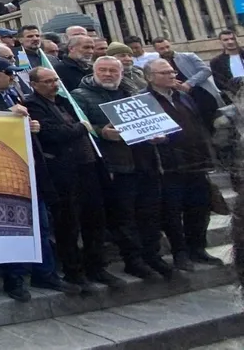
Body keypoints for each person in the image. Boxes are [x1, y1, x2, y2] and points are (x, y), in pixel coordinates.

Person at [0, 58, 77, 298]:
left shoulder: (12, 94)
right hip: (1, 171)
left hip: (30, 166)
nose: (13, 77)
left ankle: (45, 273)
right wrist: (7, 115)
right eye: (8, 73)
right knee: (12, 227)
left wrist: (31, 125)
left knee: (41, 223)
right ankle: (14, 279)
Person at [72, 58, 173, 280]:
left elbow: (153, 122)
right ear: (94, 71)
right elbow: (83, 128)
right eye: (103, 70)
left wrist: (160, 135)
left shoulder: (133, 93)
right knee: (125, 217)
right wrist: (102, 132)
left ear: (120, 72)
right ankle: (133, 260)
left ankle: (152, 255)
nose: (108, 74)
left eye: (112, 70)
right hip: (117, 166)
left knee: (150, 213)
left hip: (145, 162)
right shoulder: (80, 96)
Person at [24, 67, 122, 292]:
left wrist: (82, 127)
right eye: (47, 81)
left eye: (55, 80)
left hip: (88, 166)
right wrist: (80, 127)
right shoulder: (33, 104)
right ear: (34, 84)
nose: (54, 84)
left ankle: (96, 266)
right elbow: (52, 134)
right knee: (69, 223)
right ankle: (74, 271)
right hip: (63, 171)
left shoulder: (65, 101)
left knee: (95, 219)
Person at [144, 58, 223, 268]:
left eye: (171, 72)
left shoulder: (183, 96)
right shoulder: (144, 100)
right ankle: (180, 252)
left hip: (196, 161)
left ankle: (198, 248)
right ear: (150, 77)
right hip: (168, 166)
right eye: (164, 73)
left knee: (199, 207)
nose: (172, 75)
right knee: (172, 211)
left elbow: (197, 125)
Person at [210, 29, 244, 99]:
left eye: (232, 39)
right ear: (220, 42)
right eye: (226, 40)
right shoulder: (216, 62)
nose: (230, 42)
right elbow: (221, 84)